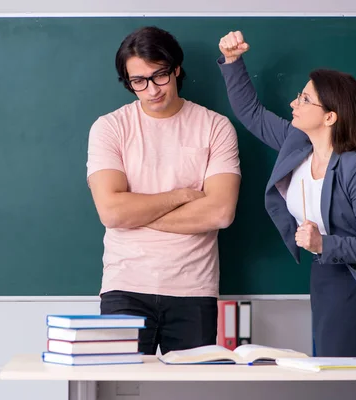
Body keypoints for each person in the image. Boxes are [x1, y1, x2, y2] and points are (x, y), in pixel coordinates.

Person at [217, 31, 356, 357]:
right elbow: (251, 114)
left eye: (304, 99)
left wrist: (323, 243)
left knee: (340, 383)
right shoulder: (296, 144)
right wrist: (233, 60)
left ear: (330, 116)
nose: (293, 103)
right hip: (322, 276)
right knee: (325, 376)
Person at [86, 26, 241, 355]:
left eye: (159, 76)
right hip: (124, 286)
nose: (151, 90)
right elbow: (111, 212)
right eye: (138, 82)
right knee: (118, 389)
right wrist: (181, 196)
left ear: (176, 69)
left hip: (194, 289)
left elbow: (220, 212)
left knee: (189, 392)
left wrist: (135, 213)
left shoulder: (215, 127)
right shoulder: (110, 128)